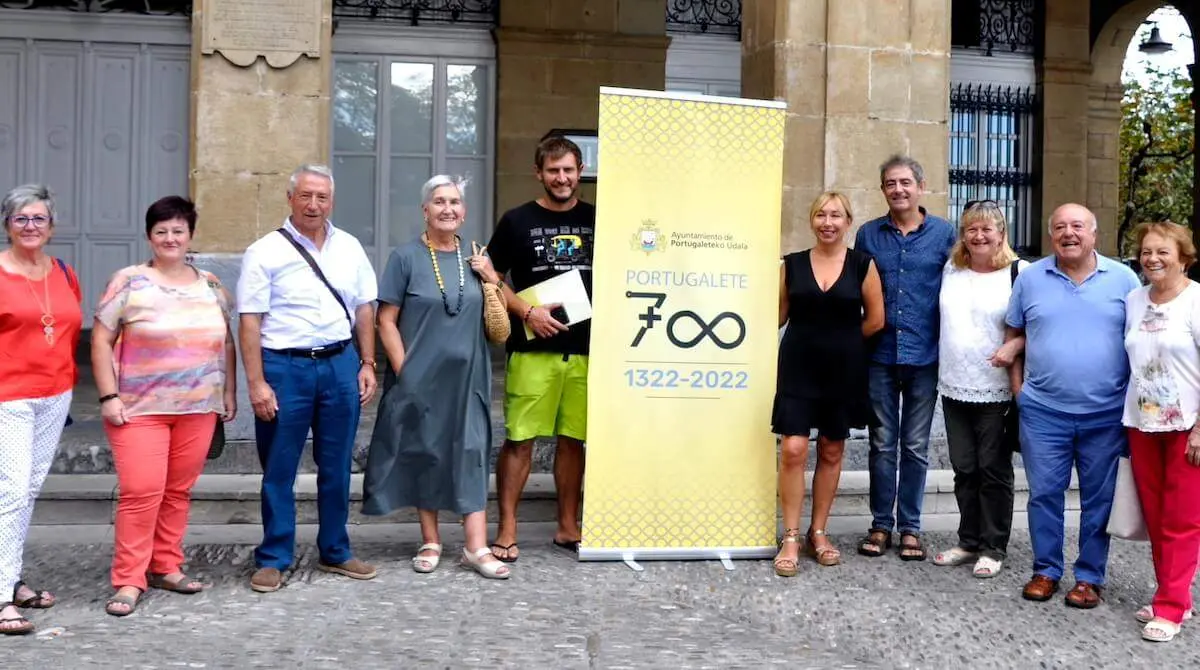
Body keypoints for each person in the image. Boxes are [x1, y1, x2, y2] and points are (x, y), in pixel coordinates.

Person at [91, 196, 237, 616]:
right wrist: (108, 396)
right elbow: (100, 341)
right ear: (149, 236)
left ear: (190, 234)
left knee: (177, 492)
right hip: (138, 408)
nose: (170, 238)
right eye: (161, 231)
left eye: (178, 230)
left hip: (198, 406)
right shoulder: (129, 281)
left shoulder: (210, 283)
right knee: (141, 493)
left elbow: (225, 340)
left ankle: (165, 565)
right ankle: (128, 579)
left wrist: (226, 393)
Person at [237, 164, 379, 593]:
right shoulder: (264, 251)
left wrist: (368, 362)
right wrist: (257, 383)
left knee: (336, 466)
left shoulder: (350, 247)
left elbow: (365, 309)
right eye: (305, 196)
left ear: (331, 201)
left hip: (340, 365)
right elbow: (249, 321)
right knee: (279, 468)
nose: (313, 204)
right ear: (290, 198)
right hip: (285, 368)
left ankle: (336, 549)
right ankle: (274, 556)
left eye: (321, 197)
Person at [362, 176, 510, 579]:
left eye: (456, 202)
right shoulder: (405, 257)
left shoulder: (477, 256)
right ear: (425, 210)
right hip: (420, 377)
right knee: (425, 452)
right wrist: (403, 369)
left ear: (463, 211)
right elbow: (385, 320)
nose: (448, 209)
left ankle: (476, 547)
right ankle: (430, 540)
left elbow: (497, 307)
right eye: (440, 202)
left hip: (469, 379)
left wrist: (491, 276)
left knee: (472, 452)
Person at [1006, 203, 1140, 608]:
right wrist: (1020, 394)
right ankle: (1046, 571)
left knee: (1098, 499)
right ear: (1051, 236)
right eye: (1060, 227)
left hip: (1105, 414)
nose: (1069, 233)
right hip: (1044, 412)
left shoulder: (1124, 280)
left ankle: (1088, 578)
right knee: (1044, 494)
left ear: (1093, 234)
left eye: (1077, 226)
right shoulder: (1031, 280)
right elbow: (1013, 333)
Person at [486, 136, 595, 561]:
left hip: (585, 351)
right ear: (539, 173)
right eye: (553, 171)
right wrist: (527, 312)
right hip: (532, 350)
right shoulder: (517, 221)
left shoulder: (597, 219)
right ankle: (507, 529)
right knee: (520, 440)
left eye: (568, 170)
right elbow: (491, 276)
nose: (562, 178)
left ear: (580, 169)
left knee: (574, 441)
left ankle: (568, 526)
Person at [772, 192, 884, 577]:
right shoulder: (792, 264)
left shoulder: (862, 264)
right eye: (820, 214)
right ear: (811, 220)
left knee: (832, 450)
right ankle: (789, 534)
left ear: (848, 222)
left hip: (843, 368)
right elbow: (778, 316)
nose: (828, 222)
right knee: (793, 448)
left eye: (836, 215)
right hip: (798, 365)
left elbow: (875, 320)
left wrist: (844, 343)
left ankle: (817, 532)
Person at [853, 155, 956, 561]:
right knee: (881, 443)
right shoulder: (868, 234)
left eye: (905, 182)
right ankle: (880, 524)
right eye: (890, 184)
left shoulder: (945, 234)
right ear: (883, 190)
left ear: (920, 186)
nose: (898, 189)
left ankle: (910, 527)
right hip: (879, 353)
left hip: (925, 355)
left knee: (914, 444)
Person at [0, 184, 82, 635]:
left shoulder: (64, 272)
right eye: (21, 219)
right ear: (8, 226)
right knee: (12, 490)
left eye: (38, 219)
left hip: (56, 393)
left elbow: (68, 329)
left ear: (51, 227)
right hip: (8, 395)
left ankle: (10, 578)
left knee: (27, 488)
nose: (30, 226)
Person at [931, 201, 1026, 578]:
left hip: (997, 389)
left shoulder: (1019, 273)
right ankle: (968, 540)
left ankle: (993, 546)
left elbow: (1035, 324)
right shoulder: (952, 269)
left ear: (1002, 233)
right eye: (972, 228)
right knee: (964, 468)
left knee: (993, 469)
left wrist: (1014, 347)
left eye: (988, 228)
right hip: (954, 385)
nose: (979, 235)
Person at [1121, 221, 1200, 642]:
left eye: (1162, 252)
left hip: (1188, 426)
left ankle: (1170, 608)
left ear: (1183, 256)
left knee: (1183, 519)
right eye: (1147, 252)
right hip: (1142, 422)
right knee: (1155, 517)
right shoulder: (1134, 300)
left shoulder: (1197, 301)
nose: (1152, 259)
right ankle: (1173, 596)